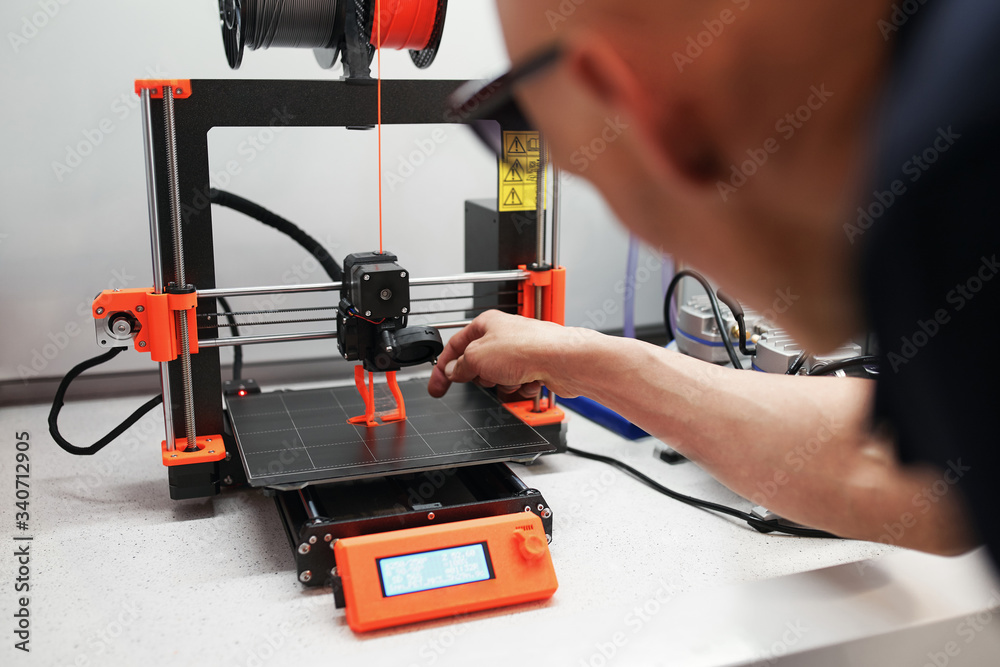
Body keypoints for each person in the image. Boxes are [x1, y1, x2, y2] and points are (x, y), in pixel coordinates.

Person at [429, 0, 1000, 562]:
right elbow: (918, 474)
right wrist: (580, 359)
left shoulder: (952, 198)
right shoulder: (956, 133)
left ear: (646, 112)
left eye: (591, 176)